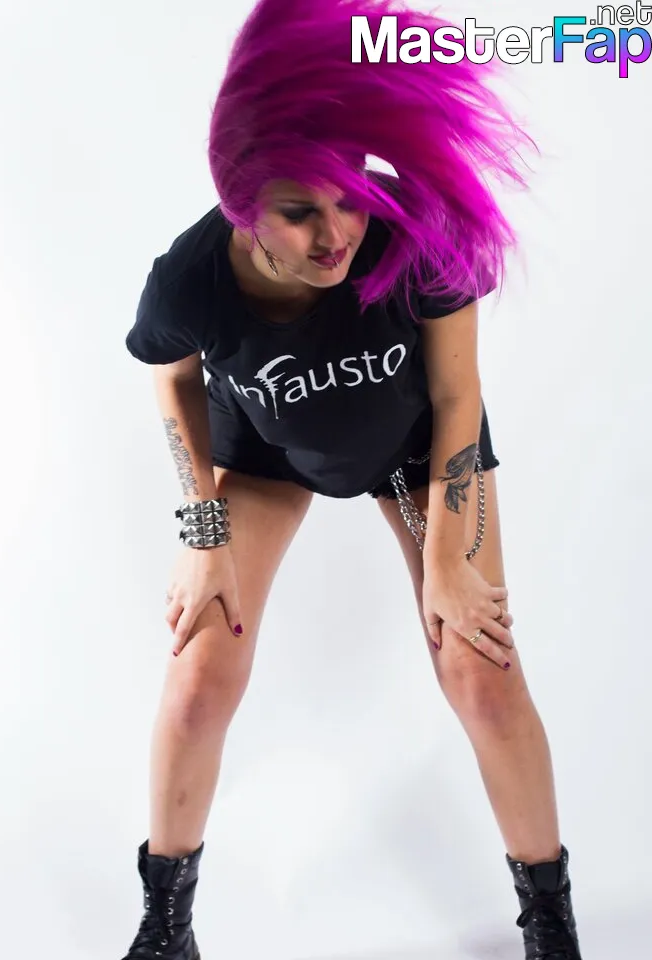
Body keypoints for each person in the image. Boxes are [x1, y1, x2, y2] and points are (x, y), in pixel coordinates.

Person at [120, 1, 583, 957]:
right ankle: (165, 924)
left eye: (349, 199)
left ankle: (550, 920)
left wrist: (448, 559)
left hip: (418, 454)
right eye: (301, 212)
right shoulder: (190, 280)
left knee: (481, 670)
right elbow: (171, 376)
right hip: (265, 456)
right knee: (199, 672)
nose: (337, 235)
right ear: (246, 207)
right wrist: (202, 534)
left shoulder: (419, 232)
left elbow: (457, 396)